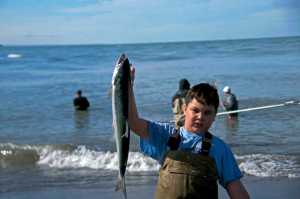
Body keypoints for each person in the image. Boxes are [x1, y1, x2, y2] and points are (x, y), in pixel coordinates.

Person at [128, 67, 249, 199]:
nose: (200, 117)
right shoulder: (165, 135)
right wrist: (127, 85)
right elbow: (133, 122)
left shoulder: (219, 149)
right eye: (195, 110)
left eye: (207, 112)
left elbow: (236, 190)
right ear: (185, 109)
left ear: (215, 115)